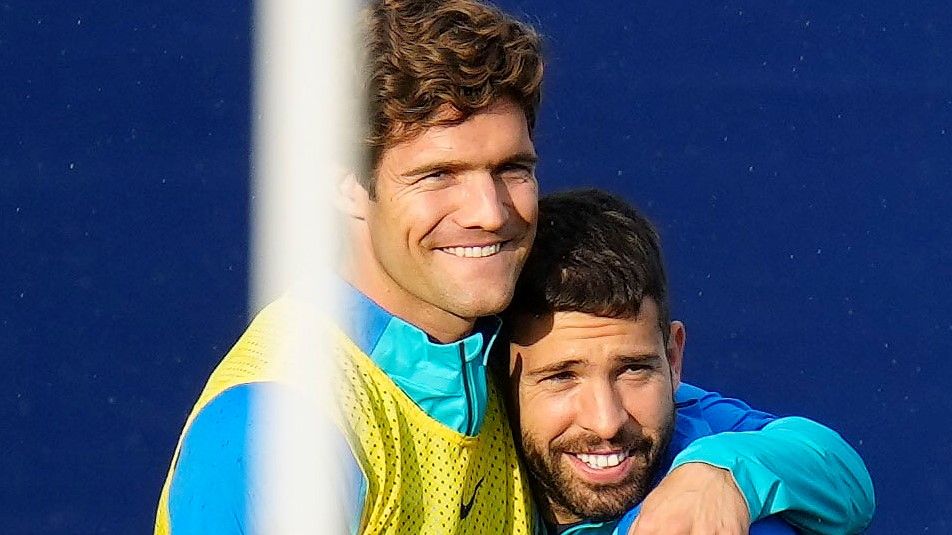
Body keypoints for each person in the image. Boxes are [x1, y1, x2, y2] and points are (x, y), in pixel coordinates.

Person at [155, 1, 874, 533]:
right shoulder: (279, 423)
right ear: (347, 183)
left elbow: (821, 462)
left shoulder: (500, 350)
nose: (491, 212)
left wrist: (724, 473)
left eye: (512, 168)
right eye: (439, 175)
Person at [501, 188, 875, 534]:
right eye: (562, 377)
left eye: (633, 369)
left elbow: (842, 472)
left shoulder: (702, 434)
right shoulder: (458, 455)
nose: (606, 421)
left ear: (672, 357)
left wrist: (724, 472)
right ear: (498, 375)